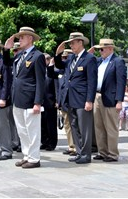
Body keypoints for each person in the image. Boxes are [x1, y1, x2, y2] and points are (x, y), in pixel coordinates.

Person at [4, 27, 46, 168]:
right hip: (18, 98)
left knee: (32, 130)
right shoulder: (19, 55)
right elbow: (6, 64)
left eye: (22, 37)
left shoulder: (37, 56)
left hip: (30, 99)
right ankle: (27, 155)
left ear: (30, 38)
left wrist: (38, 102)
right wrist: (6, 50)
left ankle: (34, 159)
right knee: (22, 130)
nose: (19, 39)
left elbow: (41, 81)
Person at [54, 32, 97, 164]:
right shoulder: (72, 58)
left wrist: (89, 100)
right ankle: (79, 152)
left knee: (85, 128)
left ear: (80, 42)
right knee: (74, 127)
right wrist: (58, 54)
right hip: (70, 98)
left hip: (82, 99)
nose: (71, 45)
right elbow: (60, 66)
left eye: (73, 43)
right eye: (70, 43)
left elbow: (92, 81)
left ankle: (86, 154)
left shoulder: (89, 58)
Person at [91, 39, 126, 162]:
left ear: (110, 48)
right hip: (97, 96)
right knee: (99, 127)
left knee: (111, 127)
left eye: (102, 49)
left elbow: (121, 83)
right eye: (99, 49)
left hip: (111, 98)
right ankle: (103, 151)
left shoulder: (118, 61)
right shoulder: (99, 61)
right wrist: (90, 54)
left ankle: (112, 153)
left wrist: (119, 101)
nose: (100, 51)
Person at [40, 53, 58, 151]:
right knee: (42, 124)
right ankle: (44, 141)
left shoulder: (52, 72)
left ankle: (52, 143)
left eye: (46, 59)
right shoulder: (40, 71)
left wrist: (57, 100)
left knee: (51, 124)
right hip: (41, 101)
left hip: (51, 101)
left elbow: (56, 86)